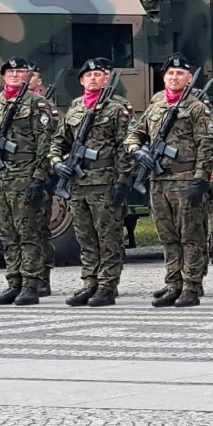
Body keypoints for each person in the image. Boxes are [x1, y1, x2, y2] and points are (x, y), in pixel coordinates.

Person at [130, 55, 213, 308]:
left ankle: (191, 285)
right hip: (159, 180)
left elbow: (208, 145)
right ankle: (173, 282)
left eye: (180, 73)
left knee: (191, 235)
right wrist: (137, 150)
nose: (174, 77)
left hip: (186, 177)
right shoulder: (157, 103)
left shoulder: (197, 107)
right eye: (170, 73)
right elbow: (136, 132)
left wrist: (200, 179)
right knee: (168, 236)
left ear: (189, 78)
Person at [51, 58, 136, 307]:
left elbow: (125, 147)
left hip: (105, 181)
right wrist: (56, 162)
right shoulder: (76, 107)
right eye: (88, 76)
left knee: (108, 236)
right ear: (81, 80)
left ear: (107, 78)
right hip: (79, 183)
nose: (93, 78)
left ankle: (107, 285)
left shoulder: (118, 108)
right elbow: (60, 140)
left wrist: (123, 181)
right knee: (85, 237)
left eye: (99, 74)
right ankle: (90, 282)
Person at [0, 58, 59, 305]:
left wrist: (39, 177)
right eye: (10, 71)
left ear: (28, 76)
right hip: (0, 178)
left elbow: (46, 143)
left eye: (20, 71)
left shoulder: (37, 103)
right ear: (3, 76)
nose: (14, 75)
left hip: (26, 176)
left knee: (28, 234)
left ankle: (32, 284)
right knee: (7, 235)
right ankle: (14, 282)